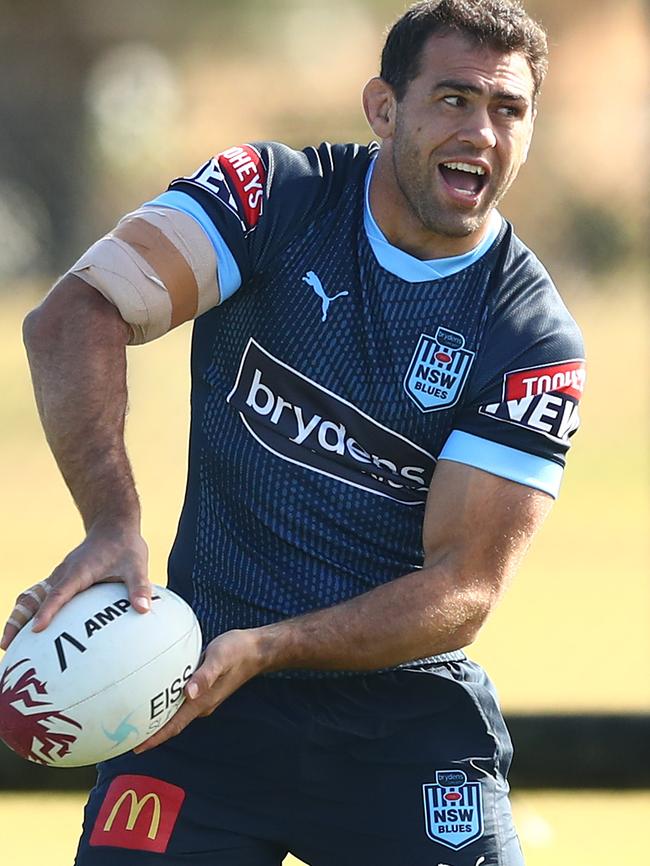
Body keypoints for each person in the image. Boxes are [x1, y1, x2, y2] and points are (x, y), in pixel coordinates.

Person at [2, 1, 585, 863]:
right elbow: (74, 316)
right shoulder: (275, 196)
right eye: (454, 100)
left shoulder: (529, 336)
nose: (483, 133)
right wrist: (112, 523)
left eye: (509, 110)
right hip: (199, 704)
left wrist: (275, 647)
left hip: (402, 727)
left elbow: (464, 588)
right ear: (383, 107)